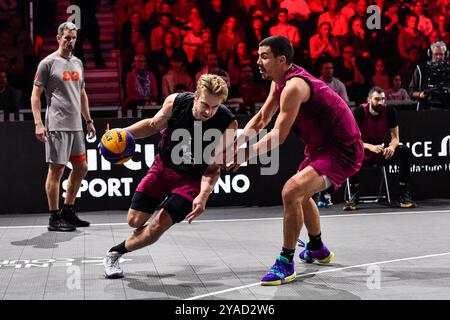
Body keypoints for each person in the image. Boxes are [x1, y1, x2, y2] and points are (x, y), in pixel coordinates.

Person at [228, 36, 363, 285]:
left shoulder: (294, 87)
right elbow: (261, 118)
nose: (258, 61)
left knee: (291, 191)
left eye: (264, 57)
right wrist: (236, 144)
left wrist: (244, 155)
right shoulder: (278, 82)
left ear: (282, 60)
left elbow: (278, 136)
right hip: (320, 148)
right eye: (258, 56)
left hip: (342, 150)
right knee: (301, 194)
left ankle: (285, 263)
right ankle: (316, 247)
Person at [103, 74, 238, 279]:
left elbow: (212, 168)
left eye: (214, 107)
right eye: (204, 104)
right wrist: (121, 133)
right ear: (195, 96)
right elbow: (152, 125)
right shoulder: (175, 102)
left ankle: (115, 252)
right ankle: (131, 240)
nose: (208, 111)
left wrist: (203, 195)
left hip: (191, 180)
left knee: (159, 225)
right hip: (163, 168)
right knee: (134, 220)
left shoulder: (228, 123)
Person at [31, 22, 95, 232]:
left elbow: (82, 93)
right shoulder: (47, 63)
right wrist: (39, 123)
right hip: (57, 124)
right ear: (58, 38)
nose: (70, 41)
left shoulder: (77, 63)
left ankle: (68, 210)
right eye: (67, 37)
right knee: (56, 170)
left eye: (73, 37)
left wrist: (88, 120)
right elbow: (35, 96)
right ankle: (54, 216)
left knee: (82, 167)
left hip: (76, 125)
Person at [343, 87, 416, 210]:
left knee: (404, 150)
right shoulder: (359, 111)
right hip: (363, 152)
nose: (381, 102)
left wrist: (392, 147)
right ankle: (354, 196)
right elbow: (352, 140)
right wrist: (370, 147)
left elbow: (395, 138)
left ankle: (403, 194)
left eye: (383, 99)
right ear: (369, 100)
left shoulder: (390, 111)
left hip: (381, 153)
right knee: (352, 151)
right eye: (377, 99)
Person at [409, 41, 450, 111]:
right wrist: (421, 94)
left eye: (441, 54)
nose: (439, 57)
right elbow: (411, 92)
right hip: (426, 110)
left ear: (446, 55)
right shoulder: (421, 69)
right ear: (430, 54)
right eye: (436, 54)